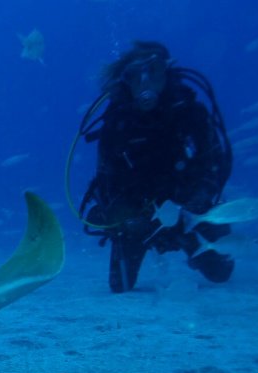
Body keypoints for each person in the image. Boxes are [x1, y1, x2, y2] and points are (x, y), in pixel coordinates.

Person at [73, 41, 234, 293]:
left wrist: (198, 202)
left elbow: (214, 162)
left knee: (220, 274)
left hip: (189, 209)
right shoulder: (117, 121)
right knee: (120, 286)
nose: (145, 82)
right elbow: (106, 180)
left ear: (167, 72)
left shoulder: (190, 112)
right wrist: (124, 216)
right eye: (134, 75)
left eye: (154, 71)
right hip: (139, 216)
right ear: (124, 81)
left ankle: (195, 238)